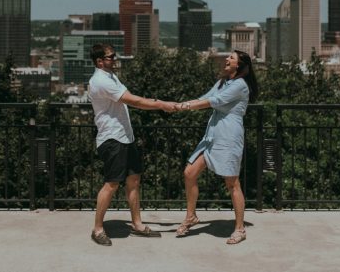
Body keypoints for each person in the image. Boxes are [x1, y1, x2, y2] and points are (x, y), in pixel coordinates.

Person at [88, 43, 176, 246]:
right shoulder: (101, 80)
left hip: (126, 137)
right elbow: (133, 101)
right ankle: (98, 229)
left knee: (133, 180)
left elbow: (131, 98)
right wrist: (161, 104)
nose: (114, 59)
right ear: (99, 61)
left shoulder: (110, 76)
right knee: (112, 184)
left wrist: (157, 102)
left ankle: (137, 224)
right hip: (112, 139)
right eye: (111, 57)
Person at [174, 49, 258, 245]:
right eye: (228, 56)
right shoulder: (222, 82)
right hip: (211, 136)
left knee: (232, 183)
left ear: (240, 65)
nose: (227, 59)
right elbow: (206, 96)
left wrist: (185, 107)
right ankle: (191, 216)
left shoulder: (240, 85)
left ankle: (240, 228)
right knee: (190, 173)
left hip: (228, 137)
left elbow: (215, 101)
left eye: (231, 57)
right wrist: (178, 105)